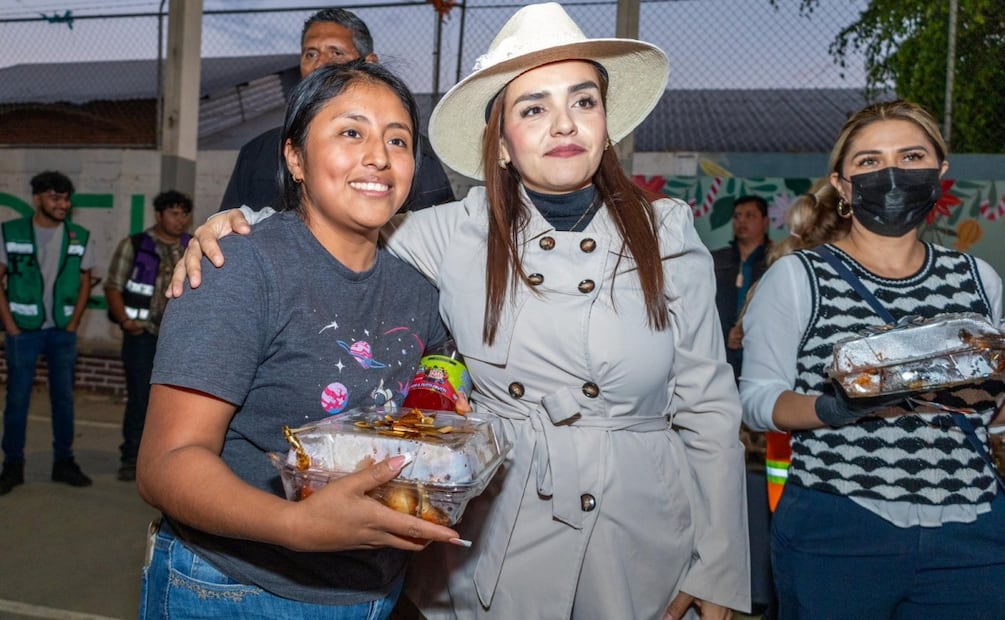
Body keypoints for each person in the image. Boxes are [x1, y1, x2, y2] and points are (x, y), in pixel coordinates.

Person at [171, 4, 751, 618]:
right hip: (504, 537)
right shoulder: (450, 232)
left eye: (583, 101)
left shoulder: (665, 231)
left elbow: (709, 408)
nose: (564, 124)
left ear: (605, 124)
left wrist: (719, 567)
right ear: (500, 142)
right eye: (533, 109)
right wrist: (238, 223)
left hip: (639, 533)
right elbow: (336, 222)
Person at [135, 61, 465, 619]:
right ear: (295, 158)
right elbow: (166, 462)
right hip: (236, 588)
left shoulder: (417, 289)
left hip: (374, 589)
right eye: (351, 132)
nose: (379, 156)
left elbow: (430, 406)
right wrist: (294, 525)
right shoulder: (240, 268)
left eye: (398, 140)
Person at [739, 100, 1005, 619]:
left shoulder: (979, 279)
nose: (892, 173)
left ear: (939, 172)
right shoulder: (799, 277)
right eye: (869, 161)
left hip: (973, 531)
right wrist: (834, 407)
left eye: (911, 157)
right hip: (841, 527)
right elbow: (757, 401)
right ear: (842, 185)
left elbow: (993, 409)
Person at [219, 7, 455, 213]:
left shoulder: (411, 152)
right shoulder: (257, 152)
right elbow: (229, 232)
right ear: (294, 158)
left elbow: (438, 237)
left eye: (336, 53)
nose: (320, 64)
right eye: (311, 54)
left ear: (370, 63)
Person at [0, 170, 96, 494]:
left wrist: (73, 323)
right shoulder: (11, 232)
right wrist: (11, 326)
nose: (63, 205)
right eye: (55, 198)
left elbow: (86, 280)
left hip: (61, 332)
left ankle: (63, 462)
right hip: (22, 333)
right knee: (17, 400)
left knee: (64, 400)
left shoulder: (79, 236)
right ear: (37, 198)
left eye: (66, 199)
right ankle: (12, 465)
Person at [103, 189, 192, 482]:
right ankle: (131, 457)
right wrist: (126, 321)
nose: (181, 220)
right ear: (158, 215)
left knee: (178, 403)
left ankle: (168, 458)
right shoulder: (135, 244)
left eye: (185, 214)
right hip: (141, 337)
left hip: (179, 340)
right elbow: (113, 286)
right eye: (174, 214)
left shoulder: (192, 246)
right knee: (140, 399)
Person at [711, 195, 770, 381]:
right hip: (720, 355)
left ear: (765, 222)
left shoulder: (777, 261)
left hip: (764, 357)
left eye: (750, 215)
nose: (741, 221)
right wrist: (724, 332)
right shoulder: (715, 261)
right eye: (737, 216)